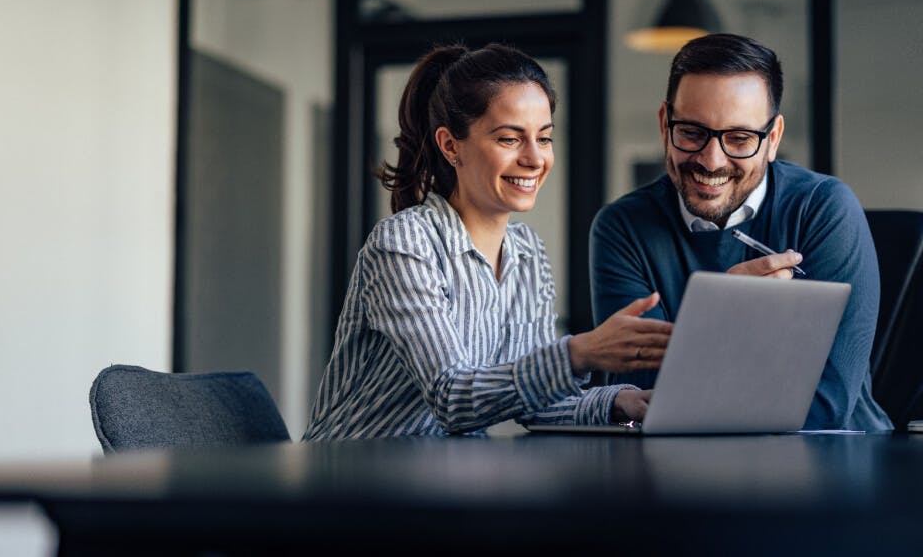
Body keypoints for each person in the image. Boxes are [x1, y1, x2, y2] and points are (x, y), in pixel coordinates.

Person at [304, 43, 673, 440]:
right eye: (510, 139)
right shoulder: (403, 243)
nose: (535, 158)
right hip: (349, 480)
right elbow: (452, 398)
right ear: (450, 146)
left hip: (443, 479)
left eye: (544, 138)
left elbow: (534, 400)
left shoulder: (528, 252)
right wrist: (579, 353)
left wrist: (620, 402)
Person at [589, 33, 893, 432]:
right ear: (665, 124)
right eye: (692, 132)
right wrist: (724, 317)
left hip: (835, 464)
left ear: (773, 139)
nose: (711, 161)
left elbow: (827, 402)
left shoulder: (825, 209)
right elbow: (646, 400)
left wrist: (702, 356)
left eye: (739, 139)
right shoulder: (622, 229)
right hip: (682, 474)